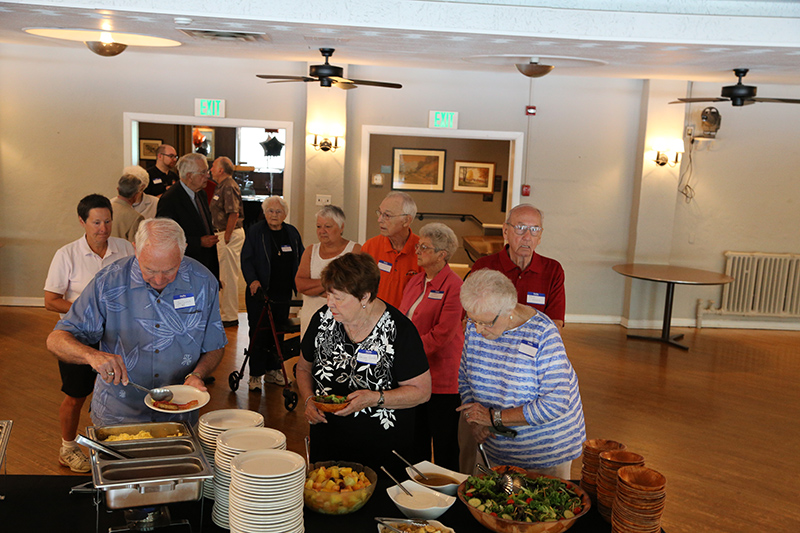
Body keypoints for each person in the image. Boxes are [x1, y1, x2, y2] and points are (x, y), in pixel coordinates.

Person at [46, 218, 227, 427]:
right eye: (149, 269)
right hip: (118, 414)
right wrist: (92, 355)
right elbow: (56, 339)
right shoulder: (108, 281)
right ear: (135, 249)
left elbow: (215, 345)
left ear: (183, 250)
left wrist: (198, 374)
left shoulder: (203, 282)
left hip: (179, 413)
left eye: (170, 270)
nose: (159, 280)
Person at [297, 253, 431, 478]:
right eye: (328, 295)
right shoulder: (322, 320)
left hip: (382, 452)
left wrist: (374, 398)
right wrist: (309, 399)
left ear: (364, 297)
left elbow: (422, 392)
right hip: (329, 444)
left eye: (338, 297)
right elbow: (303, 368)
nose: (330, 304)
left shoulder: (399, 330)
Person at [456, 270, 585, 479]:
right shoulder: (476, 326)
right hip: (496, 448)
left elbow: (556, 402)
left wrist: (493, 418)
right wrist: (476, 419)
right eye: (473, 321)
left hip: (544, 453)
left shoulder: (543, 334)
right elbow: (465, 378)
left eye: (486, 323)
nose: (478, 330)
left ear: (509, 310)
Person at [43, 194, 135, 472]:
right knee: (76, 395)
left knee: (117, 394)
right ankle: (68, 448)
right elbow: (50, 300)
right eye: (96, 222)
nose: (103, 229)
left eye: (107, 221)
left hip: (119, 337)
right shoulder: (66, 254)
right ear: (82, 221)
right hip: (79, 339)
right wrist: (88, 309)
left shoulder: (126, 249)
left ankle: (115, 445)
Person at [398, 223, 464, 472]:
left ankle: (449, 496)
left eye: (424, 247)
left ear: (442, 254)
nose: (418, 250)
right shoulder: (415, 281)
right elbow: (403, 322)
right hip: (414, 375)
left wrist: (408, 354)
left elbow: (443, 334)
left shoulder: (454, 286)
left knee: (445, 444)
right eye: (418, 245)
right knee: (416, 441)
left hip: (442, 378)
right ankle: (418, 493)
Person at [240, 196, 304, 391]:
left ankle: (273, 370)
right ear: (264, 212)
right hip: (260, 292)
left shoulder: (291, 232)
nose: (274, 215)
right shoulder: (256, 231)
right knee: (259, 333)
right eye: (270, 211)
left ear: (285, 214)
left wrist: (301, 281)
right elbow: (246, 259)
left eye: (278, 212)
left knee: (278, 332)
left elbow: (300, 257)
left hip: (283, 293)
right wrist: (253, 280)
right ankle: (255, 375)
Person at [471, 204, 566, 328]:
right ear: (505, 231)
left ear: (540, 236)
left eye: (534, 230)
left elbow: (555, 323)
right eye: (520, 228)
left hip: (533, 345)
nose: (527, 237)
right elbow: (470, 318)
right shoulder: (484, 267)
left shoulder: (553, 270)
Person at [295, 205, 361, 337]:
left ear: (341, 227)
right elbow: (300, 285)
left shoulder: (355, 250)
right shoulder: (310, 251)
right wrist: (331, 283)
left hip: (343, 321)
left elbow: (350, 289)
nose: (322, 231)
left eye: (328, 226)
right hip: (310, 318)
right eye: (319, 226)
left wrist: (314, 288)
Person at [156, 153, 220, 281]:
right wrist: (198, 242)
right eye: (203, 172)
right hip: (185, 268)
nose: (208, 175)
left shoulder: (200, 193)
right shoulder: (170, 199)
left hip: (205, 265)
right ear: (189, 176)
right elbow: (164, 237)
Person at [361, 192, 422, 308]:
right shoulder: (370, 247)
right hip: (375, 316)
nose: (380, 220)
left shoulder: (423, 250)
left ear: (406, 221)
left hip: (408, 321)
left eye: (387, 215)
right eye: (380, 213)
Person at [209, 156, 245, 328]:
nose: (211, 170)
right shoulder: (221, 186)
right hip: (223, 234)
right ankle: (224, 313)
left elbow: (234, 213)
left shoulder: (229, 185)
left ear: (221, 170)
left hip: (228, 234)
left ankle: (229, 316)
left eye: (214, 166)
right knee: (223, 275)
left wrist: (227, 236)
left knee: (228, 276)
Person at [110, 173, 145, 243]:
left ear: (117, 189)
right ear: (136, 195)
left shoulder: (105, 209)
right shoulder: (136, 218)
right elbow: (135, 245)